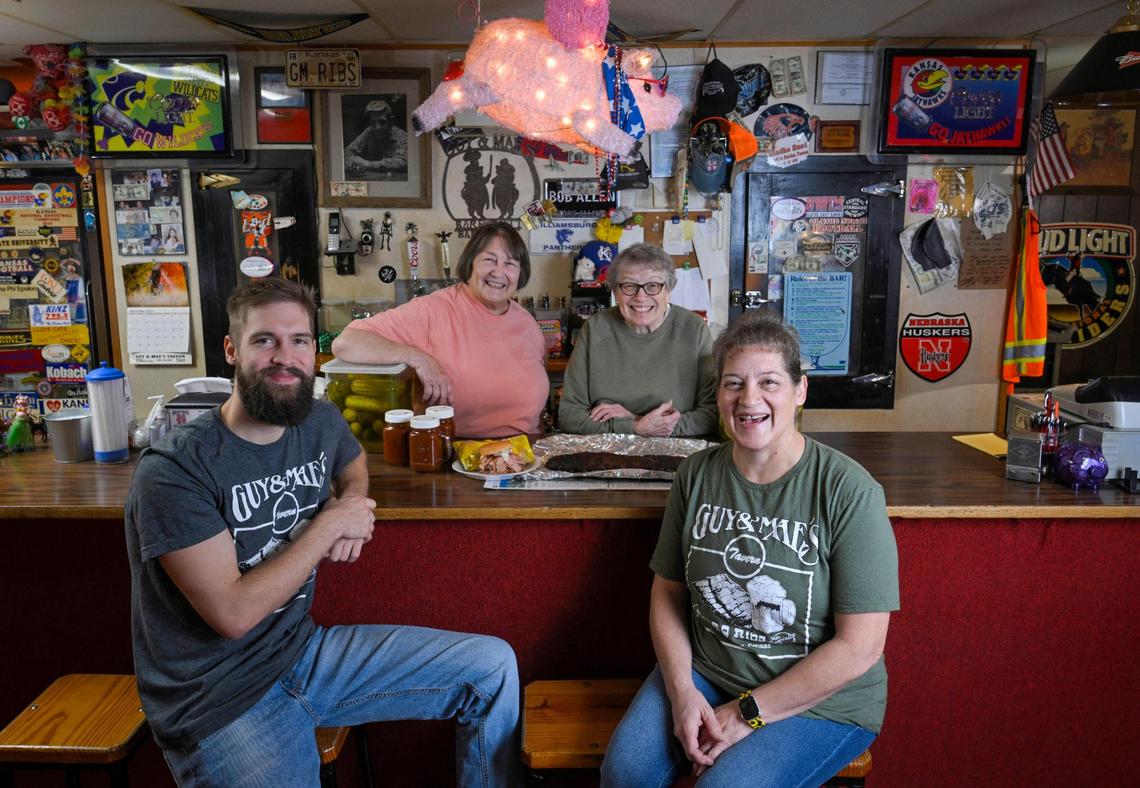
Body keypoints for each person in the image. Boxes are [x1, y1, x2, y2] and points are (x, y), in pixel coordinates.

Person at [125, 278, 520, 787]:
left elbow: (351, 461)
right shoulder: (175, 470)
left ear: (315, 349)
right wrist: (330, 524)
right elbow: (234, 613)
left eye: (300, 341)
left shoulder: (318, 419)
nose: (284, 357)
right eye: (264, 340)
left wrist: (352, 499)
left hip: (301, 653)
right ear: (231, 350)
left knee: (491, 668)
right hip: (218, 697)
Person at [600, 312, 899, 787]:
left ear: (801, 391)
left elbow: (860, 648)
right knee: (625, 773)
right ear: (718, 394)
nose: (749, 399)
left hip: (821, 703)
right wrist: (681, 692)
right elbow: (668, 594)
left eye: (769, 382)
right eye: (733, 383)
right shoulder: (695, 475)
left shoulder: (849, 490)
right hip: (708, 671)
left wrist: (744, 715)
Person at [332, 222, 548, 439]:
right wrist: (417, 357)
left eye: (510, 263)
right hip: (451, 459)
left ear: (521, 273)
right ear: (470, 263)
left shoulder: (527, 323)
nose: (498, 272)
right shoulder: (433, 310)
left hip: (526, 459)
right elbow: (346, 343)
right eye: (489, 260)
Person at [558, 243, 717, 437]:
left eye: (652, 286)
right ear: (615, 292)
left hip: (677, 454)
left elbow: (713, 415)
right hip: (607, 454)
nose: (641, 297)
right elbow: (568, 416)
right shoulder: (595, 328)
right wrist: (632, 427)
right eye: (629, 286)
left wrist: (637, 420)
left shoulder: (695, 330)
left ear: (668, 290)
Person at [345, 99, 408, 178]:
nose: (377, 127)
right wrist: (352, 162)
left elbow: (403, 162)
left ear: (391, 121)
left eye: (382, 122)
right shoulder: (369, 132)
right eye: (373, 122)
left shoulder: (403, 137)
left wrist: (368, 164)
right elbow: (347, 152)